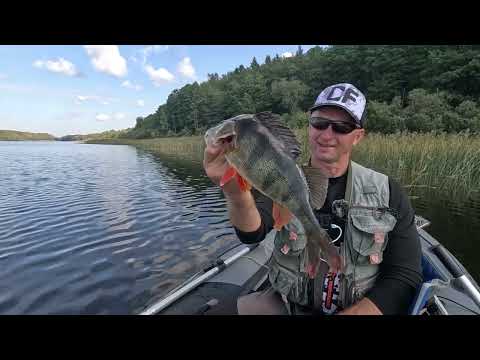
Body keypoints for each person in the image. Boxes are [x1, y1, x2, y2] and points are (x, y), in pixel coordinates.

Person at [203, 83, 423, 315]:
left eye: (342, 127)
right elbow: (252, 234)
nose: (327, 135)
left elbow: (405, 275)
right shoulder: (283, 174)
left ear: (357, 136)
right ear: (309, 126)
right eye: (319, 123)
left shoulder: (387, 191)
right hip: (286, 304)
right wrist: (235, 192)